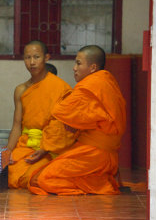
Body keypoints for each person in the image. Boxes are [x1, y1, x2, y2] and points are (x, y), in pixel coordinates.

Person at [29, 45, 126, 195]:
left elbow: (60, 111)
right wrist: (76, 123)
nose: (74, 68)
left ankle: (101, 184)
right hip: (103, 153)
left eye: (78, 63)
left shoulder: (91, 85)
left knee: (42, 180)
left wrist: (72, 123)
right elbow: (96, 117)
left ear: (93, 67)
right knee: (37, 177)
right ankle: (99, 180)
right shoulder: (107, 81)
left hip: (94, 154)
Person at [6, 40, 75, 189]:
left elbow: (64, 127)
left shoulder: (61, 88)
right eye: (27, 57)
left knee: (39, 177)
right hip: (26, 146)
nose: (32, 62)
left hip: (50, 148)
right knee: (6, 173)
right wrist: (8, 152)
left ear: (46, 57)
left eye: (36, 57)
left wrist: (44, 149)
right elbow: (17, 125)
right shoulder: (21, 90)